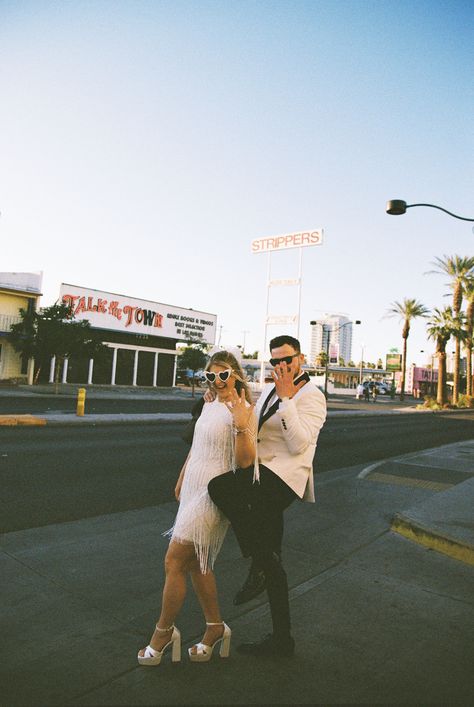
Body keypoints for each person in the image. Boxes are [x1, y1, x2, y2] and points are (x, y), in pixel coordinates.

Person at [207, 335, 327, 657]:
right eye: (275, 361)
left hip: (284, 479)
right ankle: (282, 639)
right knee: (274, 562)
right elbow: (252, 425)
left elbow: (300, 446)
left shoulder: (313, 397)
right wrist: (229, 399)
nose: (281, 366)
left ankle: (258, 565)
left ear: (300, 359)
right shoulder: (270, 390)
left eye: (287, 359)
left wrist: (288, 400)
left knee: (219, 488)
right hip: (260, 474)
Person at [138, 350, 256, 666]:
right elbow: (198, 446)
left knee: (174, 559)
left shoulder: (243, 409)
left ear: (235, 375)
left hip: (216, 492)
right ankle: (215, 628)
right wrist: (181, 477)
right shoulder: (208, 402)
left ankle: (163, 633)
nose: (217, 381)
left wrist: (242, 425)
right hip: (193, 485)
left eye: (223, 375)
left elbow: (245, 461)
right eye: (210, 376)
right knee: (197, 563)